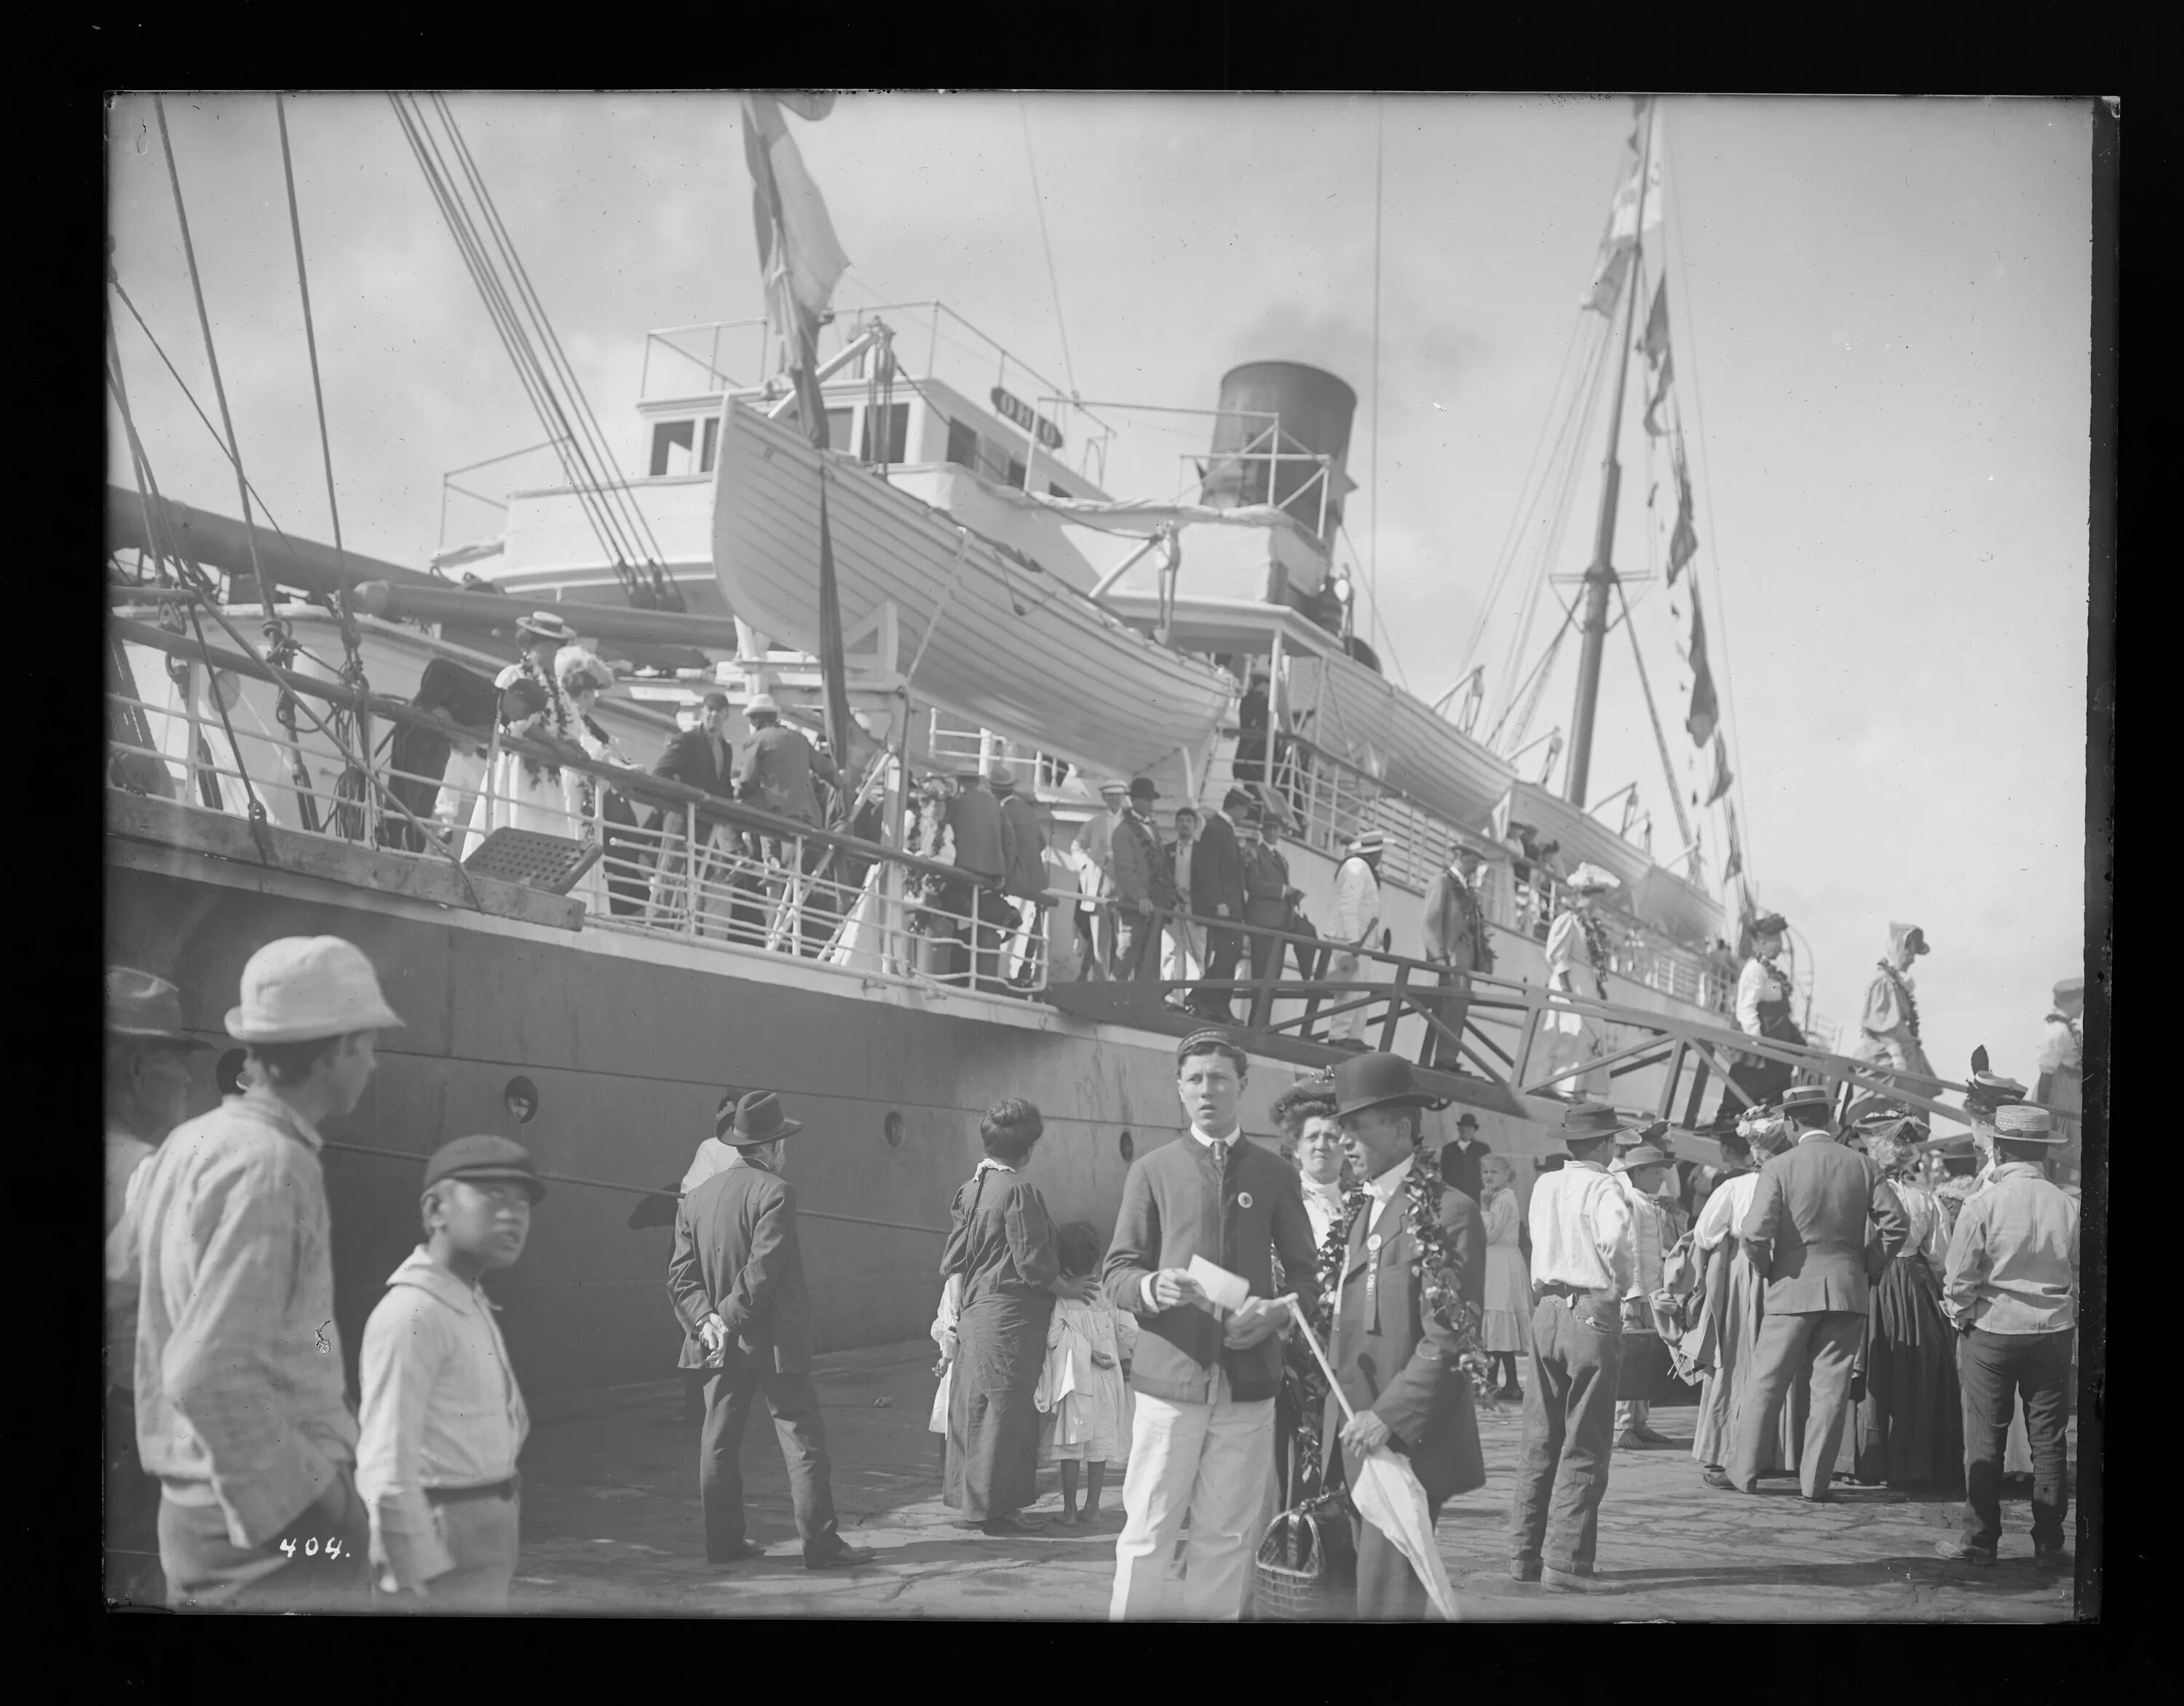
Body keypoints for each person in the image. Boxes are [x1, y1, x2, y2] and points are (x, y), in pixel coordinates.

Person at [131, 936, 404, 1608]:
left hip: (198, 1508)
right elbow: (208, 1373)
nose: (373, 1062)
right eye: (368, 1043)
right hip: (268, 1533)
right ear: (336, 1046)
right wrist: (329, 1502)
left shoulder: (190, 1143)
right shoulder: (274, 1166)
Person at [1104, 1028, 1321, 1621]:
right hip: (1169, 1383)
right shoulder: (1153, 1170)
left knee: (1225, 1539)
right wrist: (1153, 1286)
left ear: (1242, 1087)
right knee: (1147, 1534)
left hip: (1248, 1387)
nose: (1208, 1090)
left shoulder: (1276, 1175)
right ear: (1179, 1089)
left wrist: (1278, 1313)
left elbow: (1307, 1278)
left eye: (1220, 1078)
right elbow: (1117, 1271)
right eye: (1196, 1079)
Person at [666, 1092, 874, 1570]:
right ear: (773, 1145)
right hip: (773, 1343)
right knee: (801, 1440)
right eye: (784, 1142)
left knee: (717, 1442)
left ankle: (722, 1544)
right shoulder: (776, 1191)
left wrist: (707, 1322)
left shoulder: (694, 1200)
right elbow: (763, 1270)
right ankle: (821, 1546)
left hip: (717, 1344)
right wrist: (728, 1318)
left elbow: (679, 1278)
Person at [1322, 1052, 1487, 1619]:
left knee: (1388, 1601)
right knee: (1353, 1595)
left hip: (1402, 1440)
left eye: (1357, 1126)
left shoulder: (1449, 1213)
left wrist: (1387, 1417)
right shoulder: (1358, 1211)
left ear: (1399, 1129)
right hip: (1347, 1434)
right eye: (1342, 1126)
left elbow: (1449, 1338)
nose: (1344, 1139)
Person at [357, 1137, 543, 1611]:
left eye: (522, 1200)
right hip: (439, 1541)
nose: (513, 1213)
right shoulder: (413, 1312)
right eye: (493, 1194)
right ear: (435, 1209)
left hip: (482, 1529)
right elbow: (384, 1461)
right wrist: (408, 1575)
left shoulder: (465, 1299)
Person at [1710, 1084, 1910, 1502]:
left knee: (1766, 1383)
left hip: (1791, 1291)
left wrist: (1771, 1272)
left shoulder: (1779, 1167)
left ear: (1791, 1122)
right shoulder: (1862, 1165)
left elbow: (1753, 1234)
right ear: (1830, 1120)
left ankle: (1744, 1472)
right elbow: (1896, 1226)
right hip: (1847, 1290)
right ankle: (1815, 1484)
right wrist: (1866, 1265)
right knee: (1830, 1389)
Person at [103, 968, 208, 1606]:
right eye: (177, 1061)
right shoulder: (148, 1173)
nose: (191, 1080)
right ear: (140, 1068)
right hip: (141, 1421)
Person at [1936, 1104, 2079, 1568]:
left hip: (1992, 1330)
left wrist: (1963, 1317)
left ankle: (1980, 1540)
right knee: (2049, 1439)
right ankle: (2049, 1541)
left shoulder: (1983, 1203)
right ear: (2043, 1153)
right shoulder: (2068, 1204)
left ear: (1999, 1149)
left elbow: (1958, 1278)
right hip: (2054, 1331)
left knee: (1984, 1440)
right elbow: (2081, 1272)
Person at [939, 1100, 1087, 1534]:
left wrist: (955, 1316)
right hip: (1010, 1318)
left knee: (974, 1409)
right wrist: (1071, 1288)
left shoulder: (970, 1190)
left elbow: (954, 1263)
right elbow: (1035, 1267)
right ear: (1026, 1151)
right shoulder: (1018, 1192)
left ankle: (972, 1502)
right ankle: (996, 1510)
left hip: (975, 1314)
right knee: (1006, 1414)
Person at [1509, 1102, 1639, 1592]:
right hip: (1590, 1308)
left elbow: (1536, 1241)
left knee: (1539, 1437)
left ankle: (1523, 1554)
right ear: (1606, 1145)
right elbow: (1615, 1241)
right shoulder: (1605, 1184)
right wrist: (1618, 1286)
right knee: (1585, 1438)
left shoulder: (1545, 1184)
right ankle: (1565, 1562)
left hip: (1547, 1311)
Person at [1847, 1120, 1962, 1492]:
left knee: (1876, 1365)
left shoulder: (1860, 1189)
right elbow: (1939, 1256)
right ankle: (1911, 1460)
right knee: (1917, 1364)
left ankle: (1870, 1459)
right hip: (1908, 1285)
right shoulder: (1921, 1196)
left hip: (1878, 1282)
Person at [1688, 1112, 1802, 1484]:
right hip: (1789, 1271)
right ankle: (1780, 1450)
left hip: (1744, 1273)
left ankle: (1729, 1447)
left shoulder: (1735, 1188)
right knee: (1783, 1359)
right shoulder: (1797, 1182)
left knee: (1737, 1358)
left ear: (1755, 1151)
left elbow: (1704, 1234)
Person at [1267, 1079, 1350, 1507]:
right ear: (1295, 1145)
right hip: (1291, 1359)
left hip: (1349, 1358)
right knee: (1293, 1470)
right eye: (1312, 1136)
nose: (1322, 1144)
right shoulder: (1278, 1201)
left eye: (1333, 1136)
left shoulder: (1363, 1204)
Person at [1036, 1223, 1139, 1526]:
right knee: (1098, 1447)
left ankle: (1069, 1510)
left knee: (1073, 1448)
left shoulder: (1062, 1297)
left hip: (1075, 1383)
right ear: (1096, 1259)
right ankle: (1093, 1507)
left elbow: (1053, 1338)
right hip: (1108, 1381)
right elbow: (1130, 1332)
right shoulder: (1109, 1293)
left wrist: (1082, 1348)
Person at [463, 611, 585, 856]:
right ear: (530, 646)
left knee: (547, 835)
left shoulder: (558, 689)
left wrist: (574, 746)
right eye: (548, 647)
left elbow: (567, 728)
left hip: (548, 776)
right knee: (512, 822)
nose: (553, 654)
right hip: (516, 768)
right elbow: (514, 723)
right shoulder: (512, 676)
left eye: (557, 648)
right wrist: (555, 745)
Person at [555, 648, 649, 918]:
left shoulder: (578, 717)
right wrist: (623, 769)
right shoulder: (571, 716)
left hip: (586, 795)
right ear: (585, 693)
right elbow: (591, 749)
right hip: (576, 791)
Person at [646, 691, 737, 929]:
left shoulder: (725, 749)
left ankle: (686, 927)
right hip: (680, 816)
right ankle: (657, 924)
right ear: (702, 712)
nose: (713, 715)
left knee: (696, 875)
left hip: (706, 822)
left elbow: (723, 786)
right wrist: (683, 796)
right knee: (669, 869)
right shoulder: (687, 740)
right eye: (709, 710)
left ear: (726, 715)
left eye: (719, 711)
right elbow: (661, 772)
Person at [1611, 1142, 1680, 1450]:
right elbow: (1630, 1251)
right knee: (1630, 1360)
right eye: (1655, 1173)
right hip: (1635, 1294)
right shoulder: (1629, 1203)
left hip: (1651, 1291)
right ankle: (1622, 1424)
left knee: (1646, 1360)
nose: (1661, 1180)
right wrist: (1630, 1296)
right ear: (1637, 1173)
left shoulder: (1649, 1204)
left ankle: (1640, 1422)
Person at [1539, 866, 1618, 1098]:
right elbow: (1556, 955)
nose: (1598, 904)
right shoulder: (1568, 921)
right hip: (1570, 982)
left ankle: (1579, 1086)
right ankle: (1562, 1085)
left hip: (1587, 984)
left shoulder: (1590, 925)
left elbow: (1593, 958)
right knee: (1572, 1031)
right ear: (1586, 897)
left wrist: (1599, 987)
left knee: (1590, 1034)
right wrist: (1566, 989)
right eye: (1596, 899)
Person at [1420, 844, 1495, 1072]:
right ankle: (1444, 1058)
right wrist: (1439, 958)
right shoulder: (1441, 882)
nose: (1475, 868)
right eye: (1472, 862)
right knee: (1451, 1008)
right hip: (1451, 960)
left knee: (1458, 1009)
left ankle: (1449, 1056)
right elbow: (1430, 924)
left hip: (1464, 962)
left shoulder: (1466, 888)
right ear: (1459, 857)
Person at [1728, 913, 1805, 1113]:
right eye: (1775, 940)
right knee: (1748, 1101)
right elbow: (1746, 1009)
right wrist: (1758, 1045)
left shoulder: (1768, 969)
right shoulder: (1754, 969)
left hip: (1776, 1047)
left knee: (1773, 1100)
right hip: (1758, 1052)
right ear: (1762, 942)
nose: (1780, 945)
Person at [1187, 790, 1249, 1020]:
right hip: (1225, 910)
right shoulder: (1216, 829)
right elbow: (1207, 870)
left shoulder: (1223, 829)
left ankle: (1218, 1005)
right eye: (1245, 808)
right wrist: (1219, 902)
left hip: (1233, 910)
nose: (1246, 813)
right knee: (1226, 958)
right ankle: (1201, 998)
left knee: (1230, 958)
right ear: (1237, 807)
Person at [1107, 777, 1174, 985]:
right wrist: (1140, 897)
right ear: (1134, 801)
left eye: (1151, 800)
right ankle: (1113, 998)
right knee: (1127, 953)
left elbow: (1160, 864)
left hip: (1155, 903)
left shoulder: (1152, 828)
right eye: (1146, 799)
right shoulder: (1123, 831)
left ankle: (1144, 1002)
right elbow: (1125, 871)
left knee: (1151, 956)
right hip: (1134, 906)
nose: (1151, 804)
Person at [1853, 922, 1936, 1081]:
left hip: (1907, 1057)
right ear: (1898, 949)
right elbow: (1879, 1025)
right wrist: (1896, 1056)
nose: (1913, 960)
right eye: (1909, 953)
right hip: (1887, 1061)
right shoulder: (1883, 982)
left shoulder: (1897, 983)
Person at [1479, 1154, 1531, 1401]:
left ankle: (1497, 1383)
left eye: (1494, 1172)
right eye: (1485, 1172)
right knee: (1498, 1324)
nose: (1488, 1177)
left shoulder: (1502, 1201)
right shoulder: (1499, 1198)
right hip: (1497, 1262)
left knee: (1499, 1317)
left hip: (1502, 1263)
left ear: (1506, 1175)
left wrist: (1484, 1208)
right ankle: (1507, 1382)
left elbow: (1489, 1234)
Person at [992, 766, 1049, 988]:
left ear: (994, 791)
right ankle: (1024, 977)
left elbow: (1004, 847)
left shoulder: (1001, 812)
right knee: (1030, 934)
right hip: (1037, 881)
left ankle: (1008, 980)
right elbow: (1042, 843)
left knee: (1013, 932)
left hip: (1016, 881)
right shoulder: (1026, 810)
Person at [1327, 830, 1385, 1047]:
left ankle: (1354, 1037)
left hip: (1361, 939)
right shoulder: (1355, 869)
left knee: (1360, 990)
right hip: (1350, 939)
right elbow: (1348, 902)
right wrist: (1353, 939)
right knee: (1350, 988)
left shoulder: (1362, 869)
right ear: (1374, 853)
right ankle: (1338, 1036)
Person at [1074, 779, 1130, 979]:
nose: (1115, 799)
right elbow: (1077, 846)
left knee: (1123, 940)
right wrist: (1086, 866)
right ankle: (1100, 984)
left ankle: (1119, 984)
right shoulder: (1095, 823)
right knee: (1100, 941)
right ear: (1105, 798)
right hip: (1100, 883)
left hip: (1124, 886)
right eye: (1111, 795)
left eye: (1118, 795)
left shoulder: (1132, 824)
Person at [1165, 807, 1206, 990]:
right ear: (1176, 824)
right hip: (1172, 906)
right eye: (1181, 820)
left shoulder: (1204, 851)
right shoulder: (1167, 850)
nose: (1185, 824)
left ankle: (1192, 996)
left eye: (1189, 821)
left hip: (1194, 906)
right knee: (1172, 949)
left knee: (1195, 951)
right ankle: (1169, 994)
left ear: (1195, 825)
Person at [1439, 1110, 1491, 1202]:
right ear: (1459, 1129)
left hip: (1476, 1195)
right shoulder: (1448, 1149)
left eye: (1470, 1128)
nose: (1466, 1131)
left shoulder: (1483, 1149)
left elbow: (1488, 1173)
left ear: (1474, 1130)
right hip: (1454, 1195)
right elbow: (1444, 1174)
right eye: (1464, 1128)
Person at [1233, 662, 1270, 785]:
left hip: (1243, 757)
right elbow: (1259, 726)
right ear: (1264, 683)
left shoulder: (1246, 700)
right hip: (1254, 759)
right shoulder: (1261, 702)